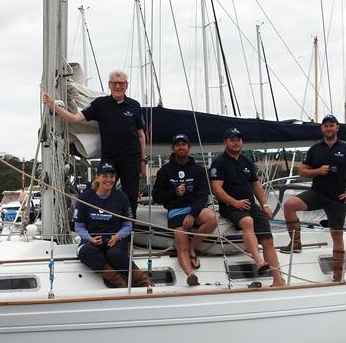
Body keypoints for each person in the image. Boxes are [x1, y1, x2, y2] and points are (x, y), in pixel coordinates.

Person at [43, 70, 147, 217]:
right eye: (115, 83)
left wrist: (143, 160)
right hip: (110, 158)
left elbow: (141, 135)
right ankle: (103, 227)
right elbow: (74, 119)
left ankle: (127, 232)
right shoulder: (100, 104)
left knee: (130, 198)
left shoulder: (134, 105)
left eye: (121, 83)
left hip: (132, 158)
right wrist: (54, 106)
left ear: (126, 85)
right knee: (101, 192)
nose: (118, 86)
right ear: (109, 85)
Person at [279, 114, 346, 282]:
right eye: (326, 126)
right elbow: (303, 172)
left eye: (331, 125)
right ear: (322, 129)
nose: (329, 128)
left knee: (337, 236)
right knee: (289, 205)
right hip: (316, 194)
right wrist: (317, 171)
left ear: (337, 128)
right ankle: (296, 244)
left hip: (337, 198)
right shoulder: (315, 149)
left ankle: (338, 275)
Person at [209, 128, 286, 287]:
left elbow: (257, 186)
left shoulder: (246, 162)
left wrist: (265, 205)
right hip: (231, 207)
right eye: (232, 140)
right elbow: (216, 189)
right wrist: (234, 202)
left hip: (251, 205)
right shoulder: (219, 163)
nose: (236, 143)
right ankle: (259, 262)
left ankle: (278, 280)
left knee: (268, 240)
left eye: (238, 140)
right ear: (225, 142)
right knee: (248, 221)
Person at [152, 134, 219, 286]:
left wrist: (192, 214)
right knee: (180, 242)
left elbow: (203, 195)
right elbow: (157, 197)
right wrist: (174, 192)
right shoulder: (165, 171)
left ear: (189, 148)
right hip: (176, 209)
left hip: (196, 208)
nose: (181, 147)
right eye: (177, 145)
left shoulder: (199, 170)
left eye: (184, 144)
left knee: (213, 218)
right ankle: (190, 275)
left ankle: (192, 247)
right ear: (173, 148)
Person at [74, 163, 151, 288]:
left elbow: (128, 225)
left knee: (114, 255)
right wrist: (90, 239)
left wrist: (117, 237)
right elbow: (79, 226)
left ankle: (145, 282)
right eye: (105, 176)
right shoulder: (85, 197)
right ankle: (120, 282)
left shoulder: (121, 197)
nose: (109, 180)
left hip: (114, 239)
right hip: (92, 239)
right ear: (98, 177)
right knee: (86, 252)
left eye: (112, 176)